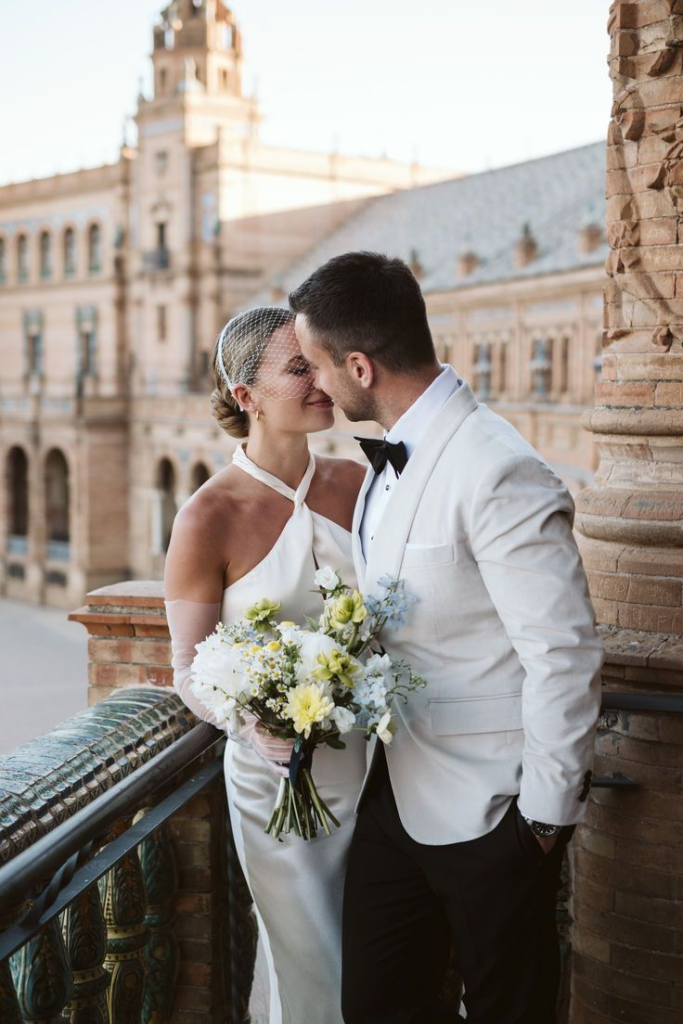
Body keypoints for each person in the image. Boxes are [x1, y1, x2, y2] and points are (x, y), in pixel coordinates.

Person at [290, 251, 604, 1024]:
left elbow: (561, 655)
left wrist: (539, 824)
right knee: (373, 1005)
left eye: (319, 366)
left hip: (493, 813)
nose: (317, 385)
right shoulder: (388, 462)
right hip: (393, 801)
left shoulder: (498, 469)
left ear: (359, 366)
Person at [163, 307, 368, 1024]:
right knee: (312, 965)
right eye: (298, 368)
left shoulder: (357, 480)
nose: (323, 380)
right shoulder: (206, 516)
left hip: (383, 769)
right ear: (244, 396)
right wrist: (254, 727)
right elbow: (188, 668)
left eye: (322, 361)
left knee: (386, 961)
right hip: (280, 781)